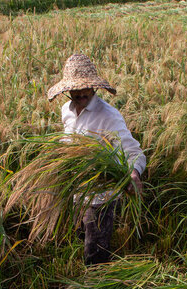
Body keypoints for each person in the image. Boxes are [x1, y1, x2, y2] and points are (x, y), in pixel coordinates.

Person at [47, 53, 146, 265]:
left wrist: (133, 172)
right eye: (76, 89)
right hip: (77, 192)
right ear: (68, 90)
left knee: (95, 253)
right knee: (80, 237)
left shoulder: (108, 116)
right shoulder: (67, 110)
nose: (82, 93)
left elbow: (133, 151)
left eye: (86, 88)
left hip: (100, 197)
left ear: (94, 87)